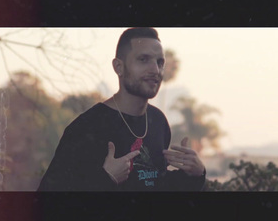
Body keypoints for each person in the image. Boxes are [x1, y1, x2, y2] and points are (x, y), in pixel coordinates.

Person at [38, 27, 206, 191]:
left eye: (159, 62)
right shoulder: (87, 127)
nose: (155, 69)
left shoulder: (158, 121)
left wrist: (196, 174)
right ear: (118, 67)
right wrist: (106, 179)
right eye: (143, 59)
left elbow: (154, 183)